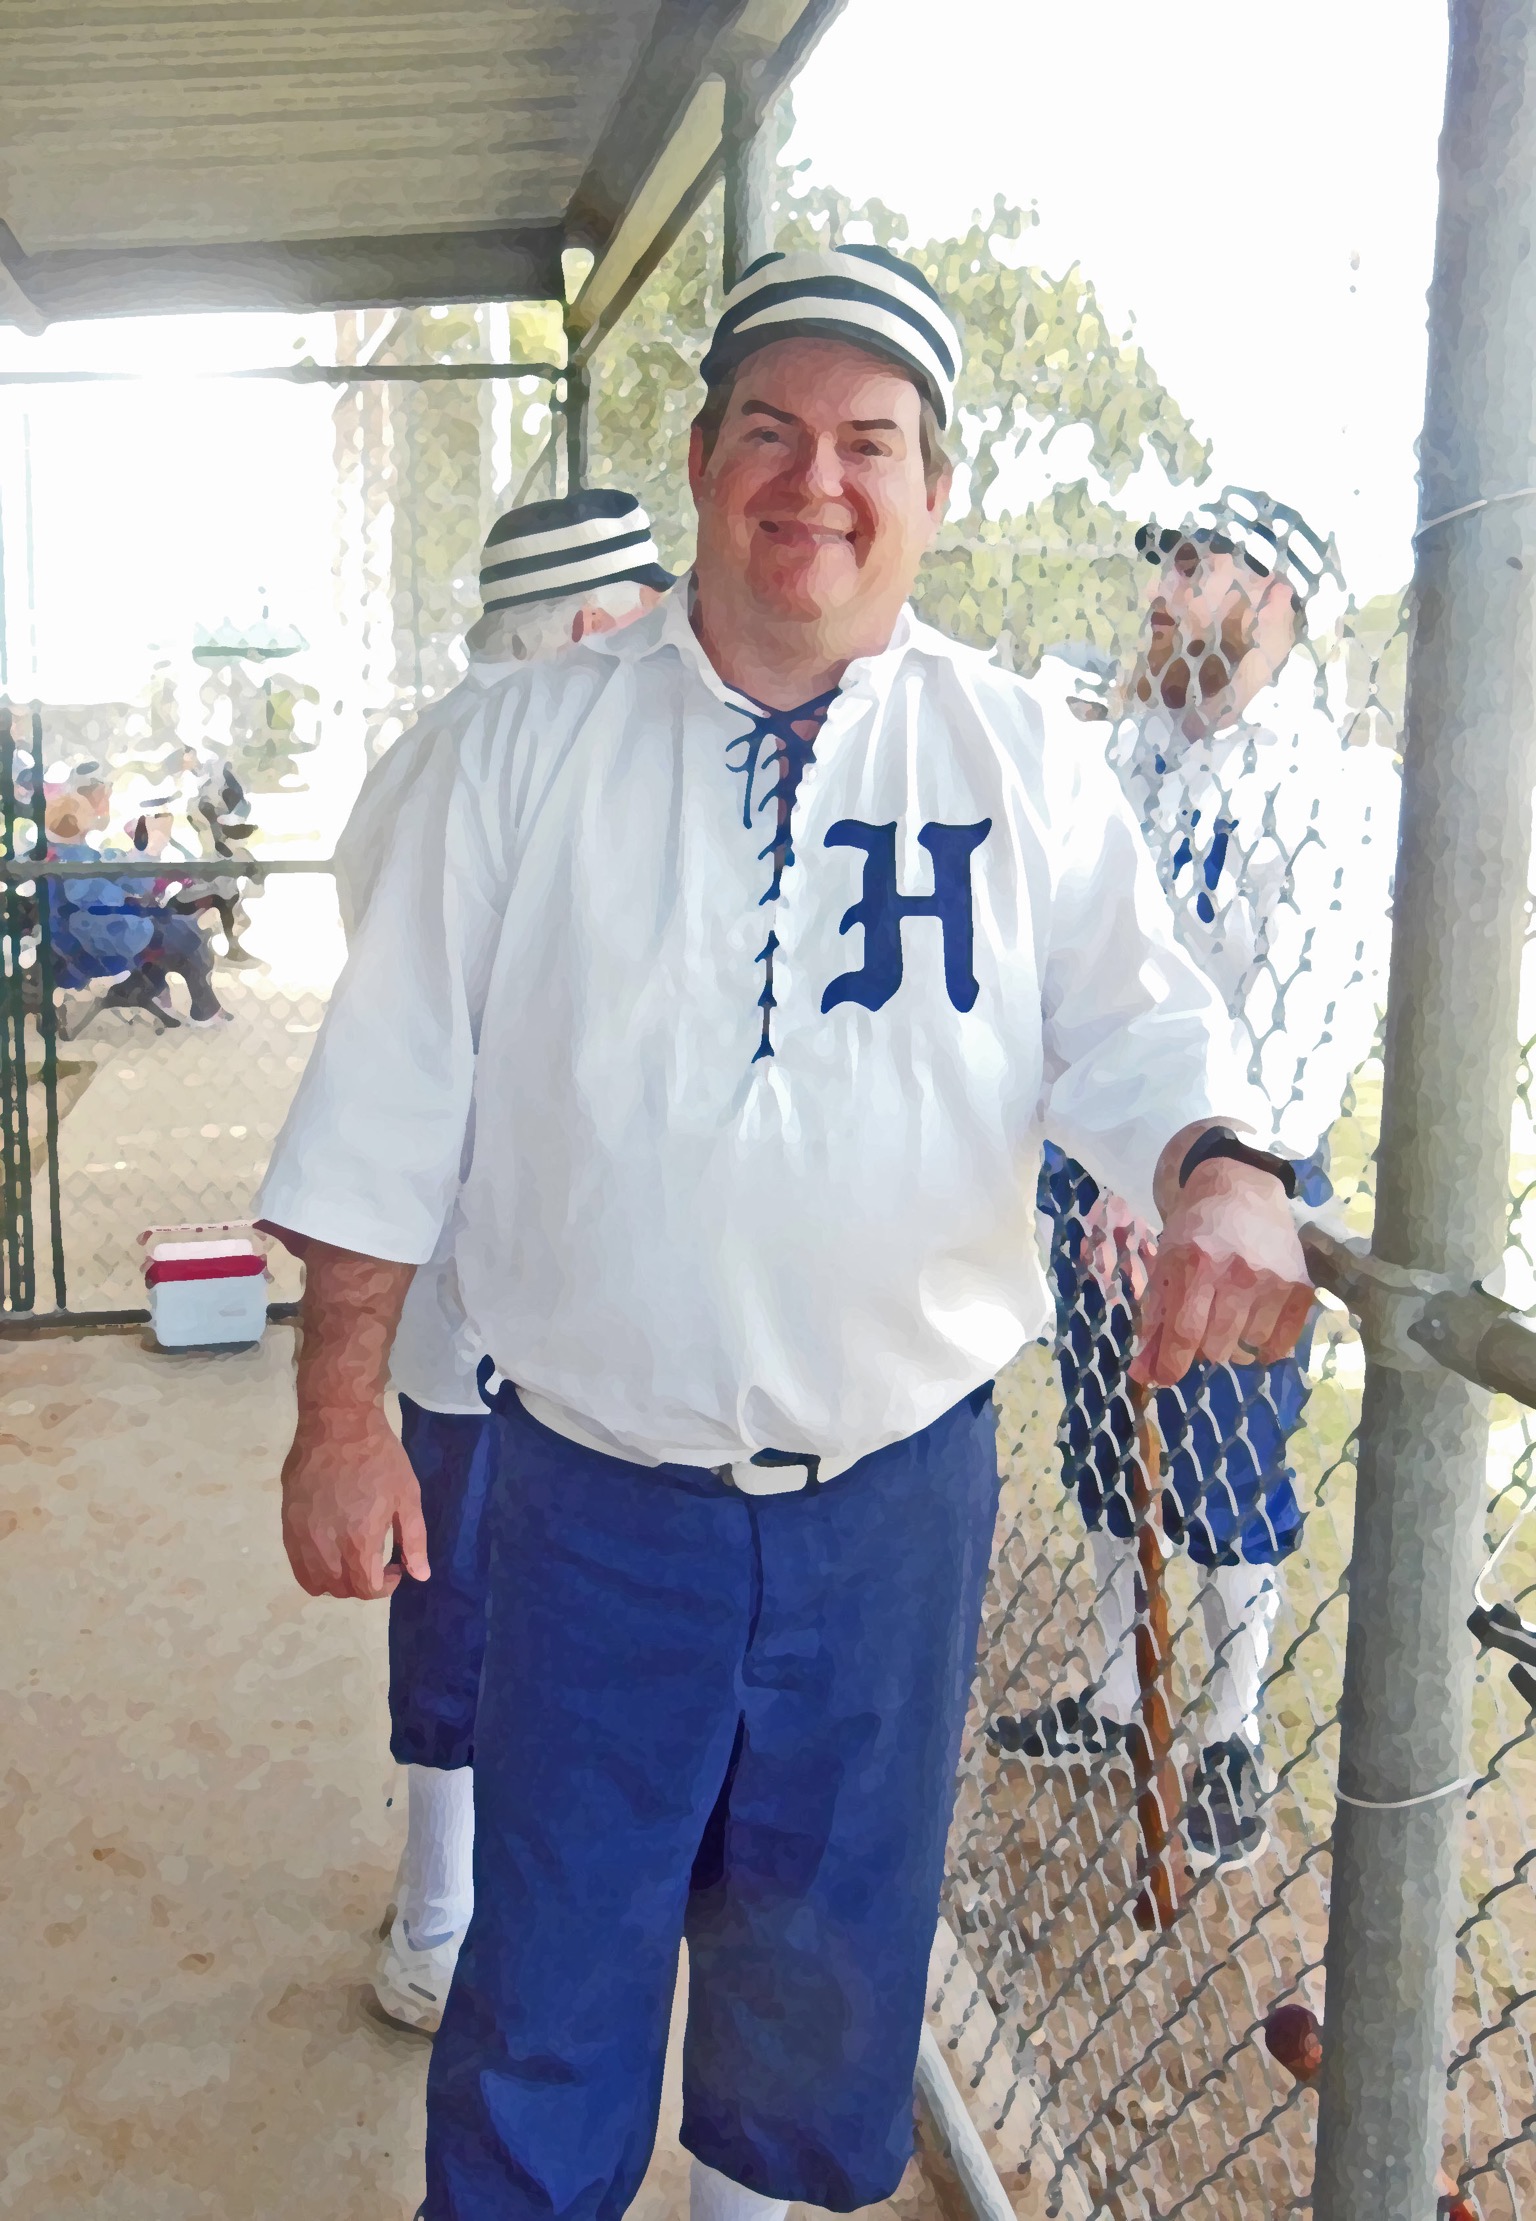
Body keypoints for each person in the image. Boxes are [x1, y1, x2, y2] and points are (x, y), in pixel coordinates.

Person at [255, 243, 1312, 2221]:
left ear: (933, 494)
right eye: (771, 430)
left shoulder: (1015, 757)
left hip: (888, 1512)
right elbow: (386, 1110)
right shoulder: (523, 753)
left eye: (870, 444)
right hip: (591, 1497)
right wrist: (339, 1415)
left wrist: (1222, 1164)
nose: (814, 481)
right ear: (700, 459)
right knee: (549, 1978)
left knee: (821, 1989)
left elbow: (1142, 1027)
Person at [1005, 493, 1398, 1869]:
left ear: (1274, 591)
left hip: (1247, 1179)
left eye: (1190, 565)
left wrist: (1192, 1170)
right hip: (1102, 1167)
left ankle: (1226, 1728)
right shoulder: (1121, 758)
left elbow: (1312, 1019)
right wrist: (1114, 1157)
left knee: (1230, 1459)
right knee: (1104, 1436)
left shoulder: (1333, 786)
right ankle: (1124, 1690)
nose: (1160, 593)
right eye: (1160, 566)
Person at [333, 489, 673, 2033]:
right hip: (497, 1278)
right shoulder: (530, 753)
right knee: (472, 1586)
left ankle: (445, 1904)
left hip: (485, 1281)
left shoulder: (440, 750)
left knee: (465, 1584)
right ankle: (443, 1917)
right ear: (596, 624)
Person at [44, 789, 233, 1028]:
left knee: (182, 931)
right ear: (76, 823)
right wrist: (151, 852)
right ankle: (196, 1007)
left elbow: (123, 881)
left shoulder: (57, 854)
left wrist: (139, 854)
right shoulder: (73, 862)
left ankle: (151, 992)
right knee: (189, 937)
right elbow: (110, 894)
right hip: (101, 939)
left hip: (85, 937)